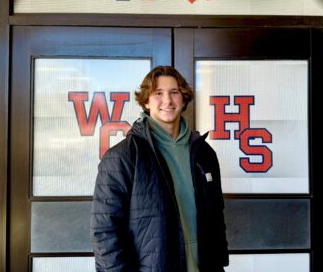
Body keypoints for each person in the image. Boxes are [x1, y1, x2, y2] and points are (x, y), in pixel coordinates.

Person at [91, 66, 229, 272]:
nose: (168, 101)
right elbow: (105, 232)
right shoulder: (122, 157)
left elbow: (217, 216)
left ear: (183, 99)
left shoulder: (204, 153)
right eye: (158, 94)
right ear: (146, 101)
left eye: (174, 92)